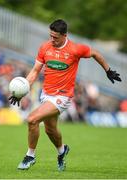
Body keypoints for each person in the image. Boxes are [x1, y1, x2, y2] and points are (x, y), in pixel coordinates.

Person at [9, 19, 121, 171]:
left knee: (32, 119)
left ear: (64, 35)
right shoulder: (45, 47)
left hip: (63, 96)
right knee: (50, 129)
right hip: (46, 94)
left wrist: (108, 70)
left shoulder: (75, 49)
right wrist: (23, 89)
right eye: (51, 36)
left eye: (55, 37)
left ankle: (30, 156)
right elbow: (35, 71)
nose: (52, 39)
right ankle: (62, 151)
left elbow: (95, 53)